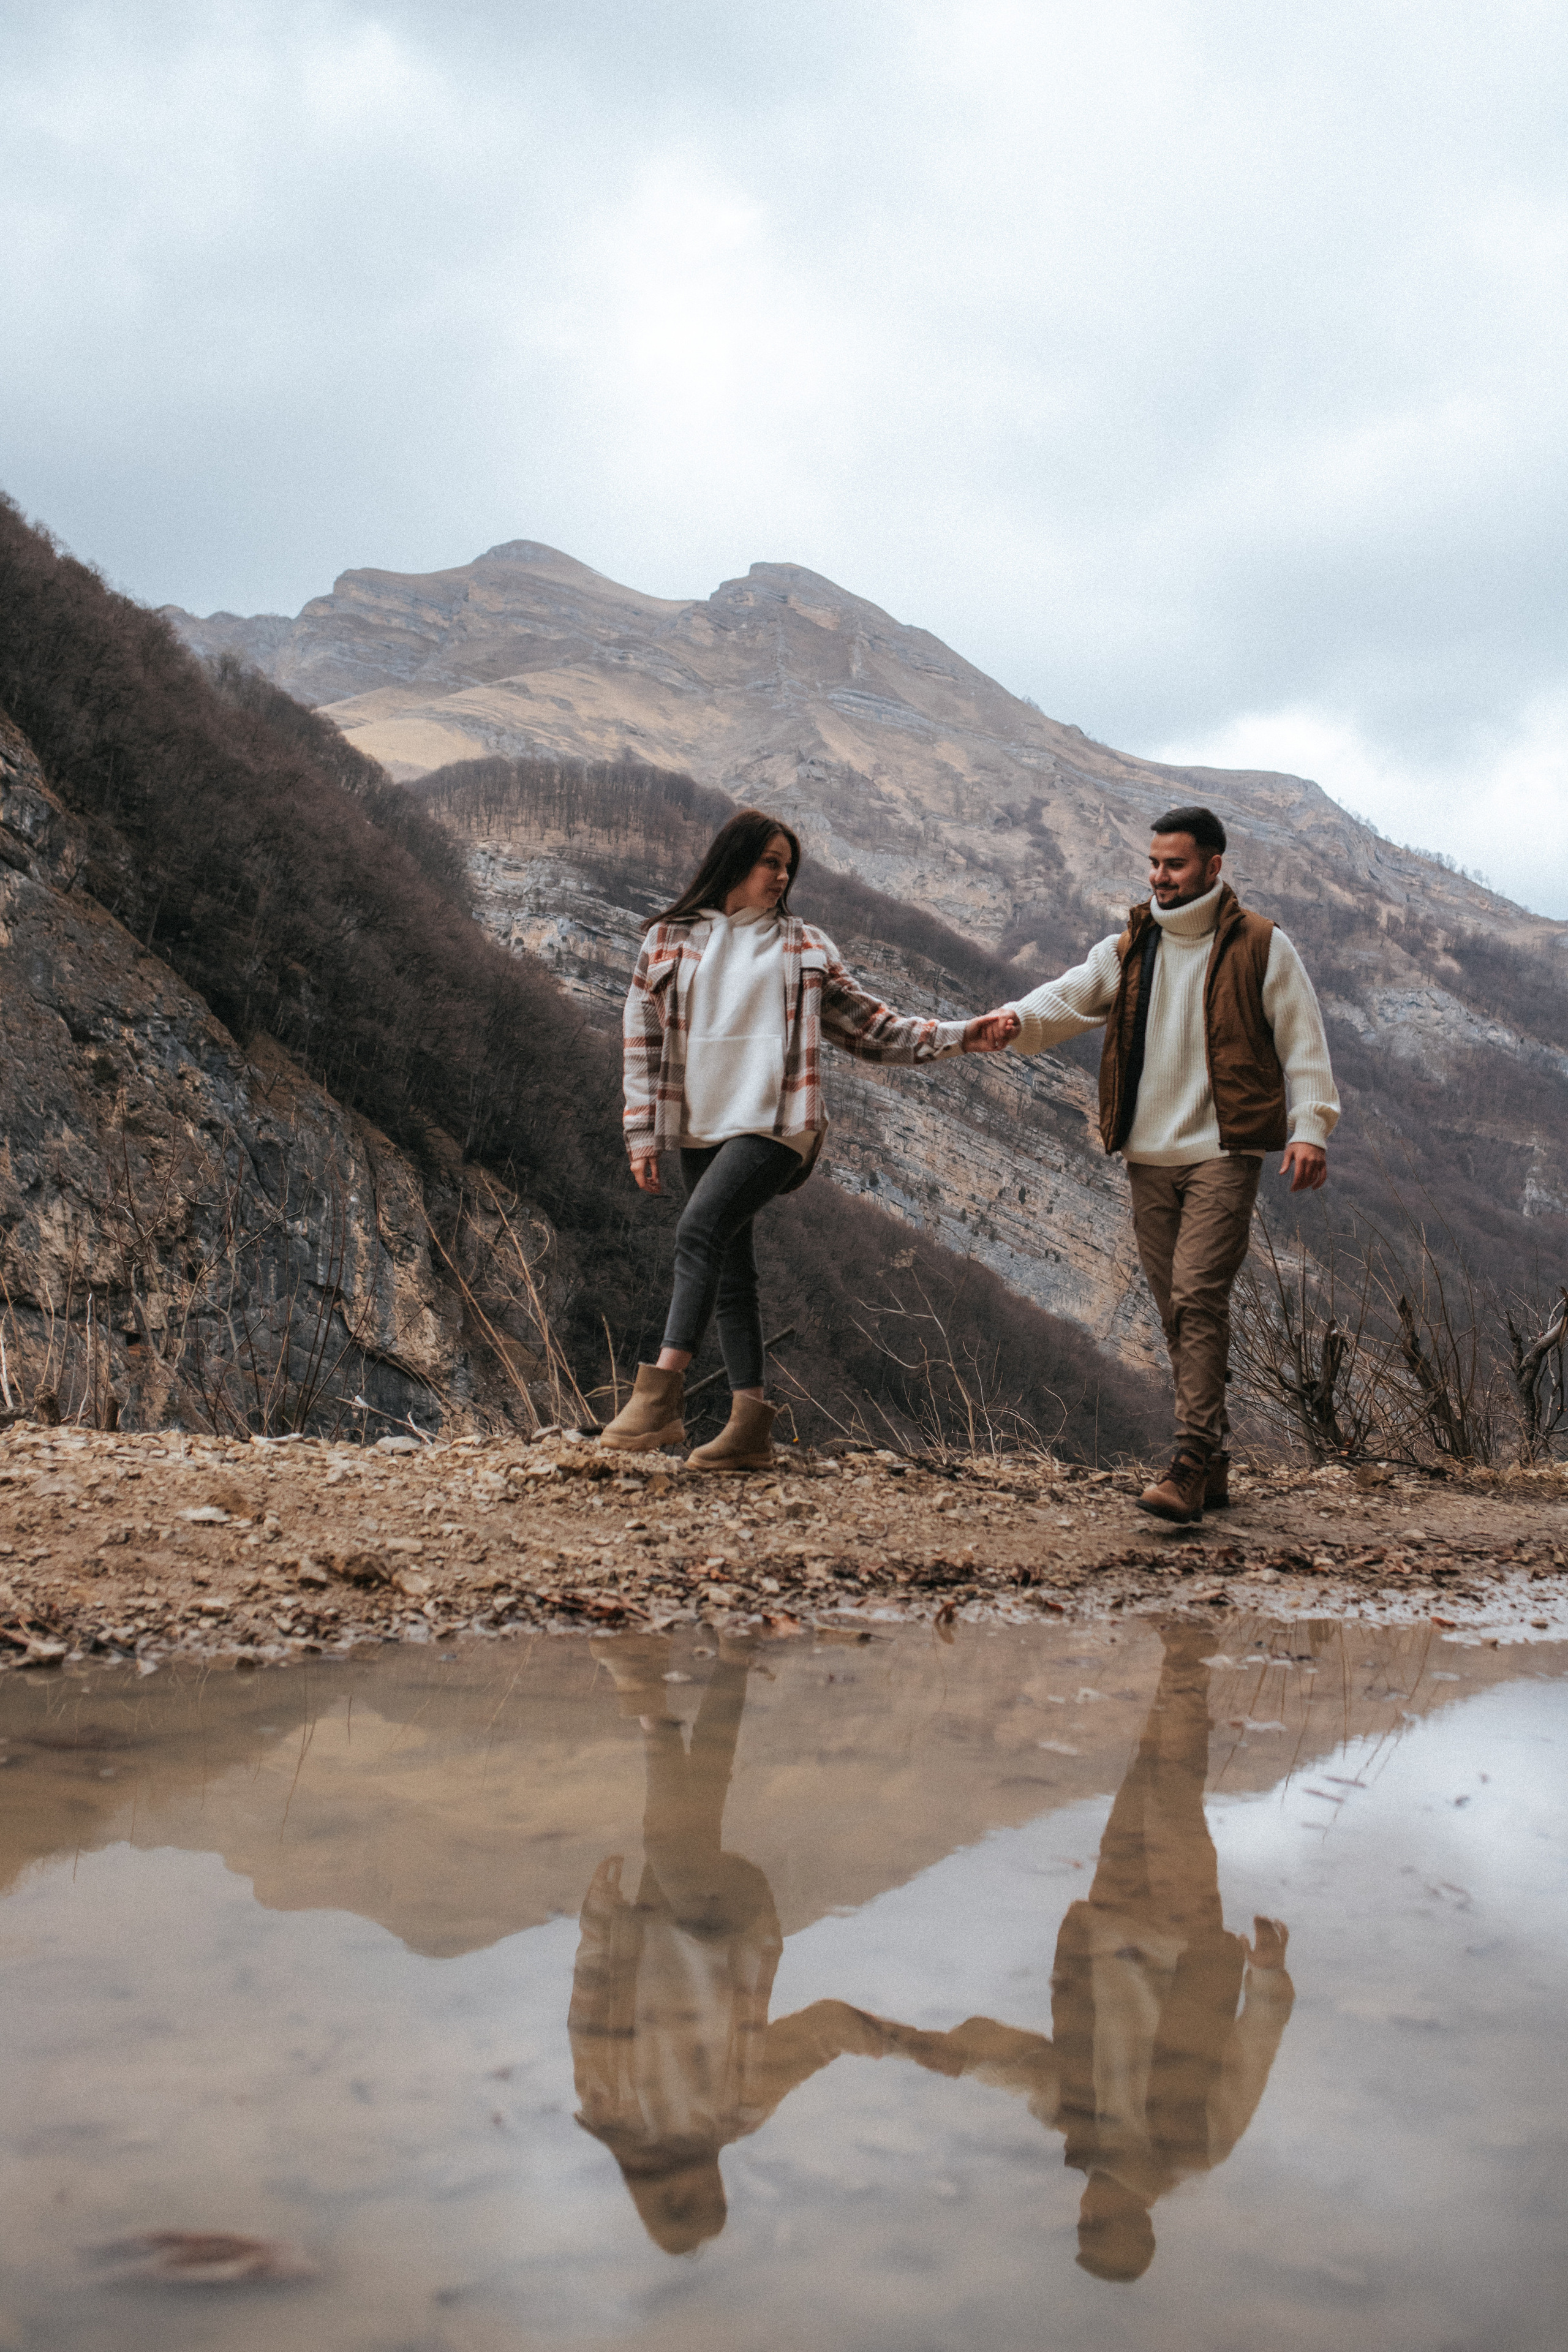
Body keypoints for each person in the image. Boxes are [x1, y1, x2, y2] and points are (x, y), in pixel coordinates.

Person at [872, 1624, 1295, 2282]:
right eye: (1097, 2223)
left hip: (1108, 1919)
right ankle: (1187, 1656)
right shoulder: (1194, 2148)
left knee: (1147, 1777)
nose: (1088, 2211)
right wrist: (1267, 1980)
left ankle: (1181, 1662)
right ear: (1129, 2222)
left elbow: (1013, 2063)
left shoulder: (1079, 2130)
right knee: (1174, 1788)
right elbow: (1251, 2057)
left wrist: (952, 2053)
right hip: (1184, 1937)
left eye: (1086, 2222)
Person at [600, 809, 1019, 1471]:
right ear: (733, 862)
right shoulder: (665, 941)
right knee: (732, 1270)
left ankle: (660, 1396)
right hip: (699, 1124)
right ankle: (748, 1428)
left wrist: (964, 1033)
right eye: (770, 860)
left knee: (696, 1232)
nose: (781, 874)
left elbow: (878, 1030)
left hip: (778, 1122)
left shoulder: (804, 945)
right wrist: (641, 1135)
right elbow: (641, 1044)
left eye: (787, 864)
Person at [984, 805, 1339, 1522]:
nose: (1158, 877)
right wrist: (1014, 1021)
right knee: (1177, 1311)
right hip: (1147, 1156)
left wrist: (1311, 1129)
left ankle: (1185, 1460)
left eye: (1173, 865)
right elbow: (1067, 998)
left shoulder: (1263, 946)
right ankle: (1210, 1461)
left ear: (1212, 867)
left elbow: (1303, 1043)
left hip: (1223, 1151)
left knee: (1197, 1296)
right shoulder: (1128, 947)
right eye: (1152, 863)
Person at [569, 1634, 897, 2252]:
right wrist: (897, 2045)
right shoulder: (740, 2114)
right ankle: (650, 1699)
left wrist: (596, 1927)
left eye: (675, 2202)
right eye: (703, 2197)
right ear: (717, 2187)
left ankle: (730, 1662)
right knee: (673, 1839)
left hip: (648, 1934)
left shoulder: (607, 2110)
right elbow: (820, 2033)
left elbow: (587, 2017)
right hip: (730, 1935)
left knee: (696, 1808)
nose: (687, 2184)